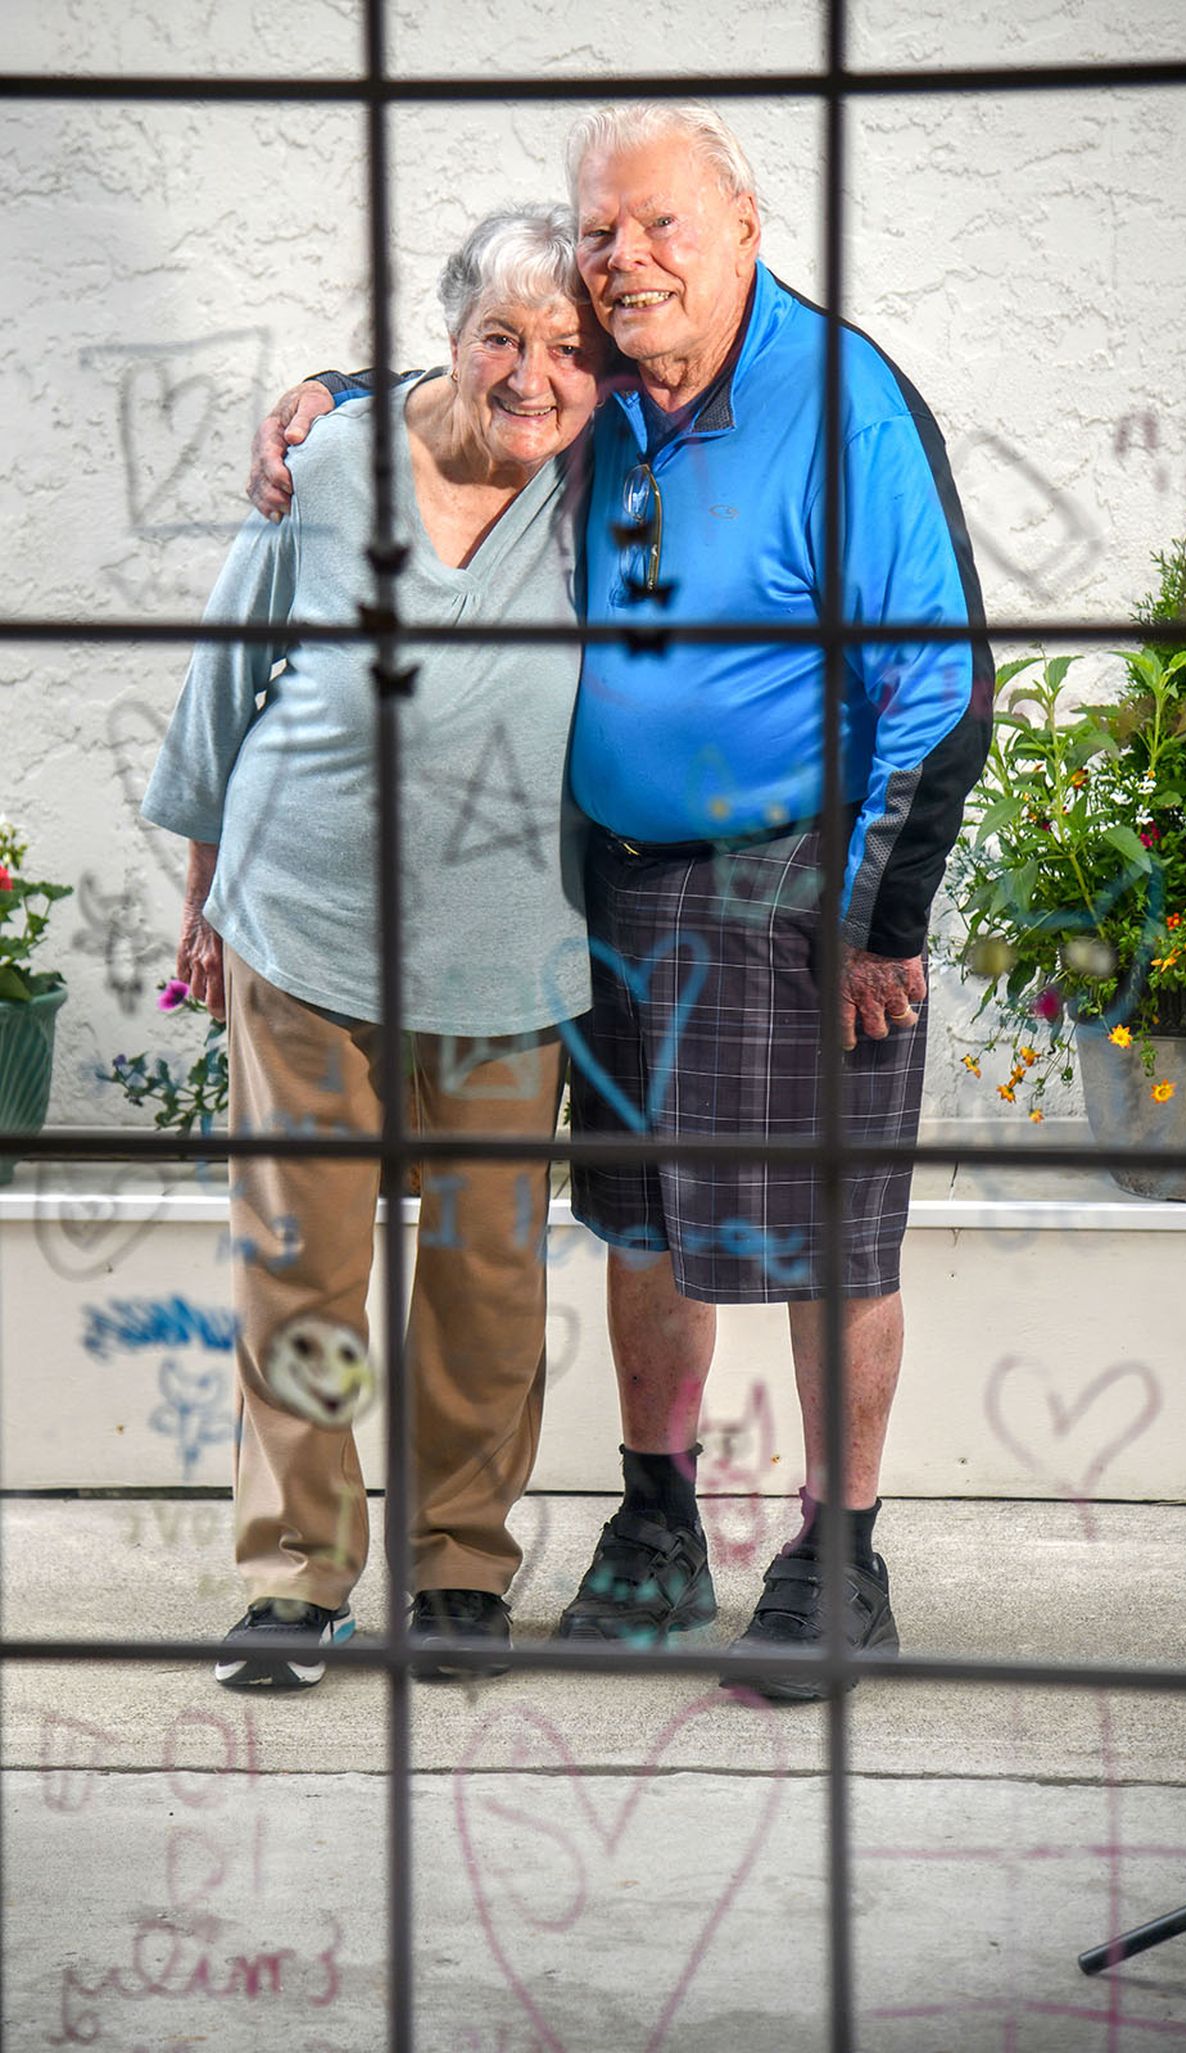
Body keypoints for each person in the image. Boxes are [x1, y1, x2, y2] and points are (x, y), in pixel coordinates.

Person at [251, 103, 992, 1704]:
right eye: (602, 231)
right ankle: (659, 1524)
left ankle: (838, 1550)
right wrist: (337, 392)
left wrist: (885, 915)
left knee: (828, 1231)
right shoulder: (613, 386)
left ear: (743, 226)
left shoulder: (845, 398)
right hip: (613, 885)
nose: (623, 259)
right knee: (639, 1224)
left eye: (659, 226)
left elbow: (941, 678)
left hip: (802, 884)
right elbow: (488, 373)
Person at [143, 206, 608, 1691]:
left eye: (565, 349)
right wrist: (204, 891)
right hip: (303, 920)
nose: (531, 376)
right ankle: (296, 1574)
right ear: (449, 336)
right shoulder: (334, 459)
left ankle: (459, 1567)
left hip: (506, 950)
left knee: (485, 1277)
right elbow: (228, 683)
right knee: (303, 1265)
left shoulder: (603, 484)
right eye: (500, 340)